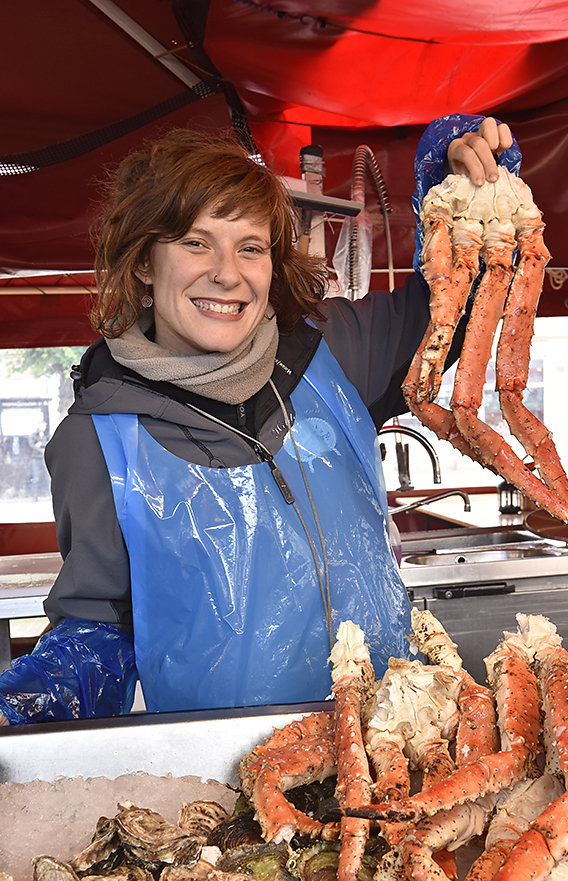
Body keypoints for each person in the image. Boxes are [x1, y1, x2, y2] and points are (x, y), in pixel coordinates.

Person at [0, 116, 515, 725]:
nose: (227, 273)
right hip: (228, 779)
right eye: (195, 242)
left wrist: (466, 184)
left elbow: (462, 304)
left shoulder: (335, 353)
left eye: (250, 247)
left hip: (395, 746)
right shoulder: (98, 439)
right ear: (143, 263)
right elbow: (98, 630)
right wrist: (29, 707)